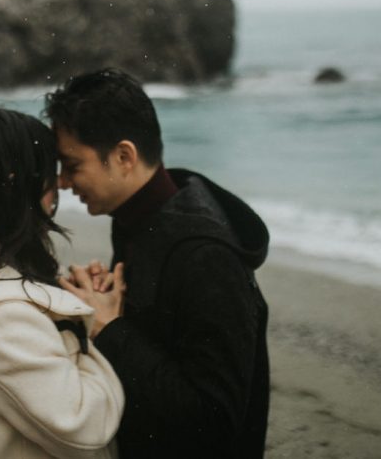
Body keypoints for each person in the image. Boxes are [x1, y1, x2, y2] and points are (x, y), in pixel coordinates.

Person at [46, 69, 270, 458]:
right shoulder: (138, 218)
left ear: (123, 157)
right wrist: (109, 302)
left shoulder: (206, 257)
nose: (63, 183)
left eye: (72, 165)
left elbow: (215, 420)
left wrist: (110, 327)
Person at [0, 107, 125, 459]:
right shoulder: (5, 321)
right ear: (17, 183)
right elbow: (83, 429)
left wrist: (68, 297)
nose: (61, 183)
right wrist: (98, 327)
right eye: (49, 173)